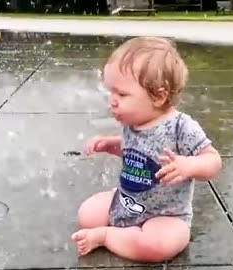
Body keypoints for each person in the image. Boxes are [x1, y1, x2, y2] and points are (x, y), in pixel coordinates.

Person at [71, 36, 222, 263]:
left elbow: (213, 161)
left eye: (121, 94)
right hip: (127, 201)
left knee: (157, 246)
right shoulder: (133, 121)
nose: (112, 101)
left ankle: (108, 236)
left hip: (166, 216)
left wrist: (189, 165)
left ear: (158, 96)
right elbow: (138, 153)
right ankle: (125, 234)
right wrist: (114, 145)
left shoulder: (181, 126)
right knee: (87, 214)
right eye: (111, 92)